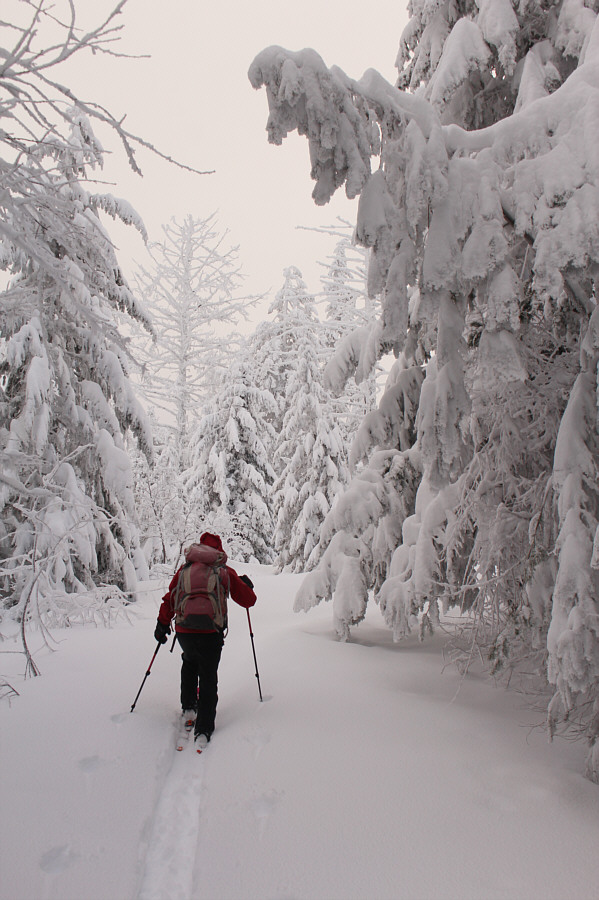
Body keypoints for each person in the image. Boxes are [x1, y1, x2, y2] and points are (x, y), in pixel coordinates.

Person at [154, 532, 256, 746]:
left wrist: (162, 624)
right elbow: (249, 601)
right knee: (208, 676)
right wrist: (246, 586)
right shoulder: (224, 571)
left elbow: (170, 597)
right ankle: (204, 729)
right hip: (211, 632)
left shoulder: (184, 570)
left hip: (184, 631)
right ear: (218, 551)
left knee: (189, 662)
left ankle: (189, 708)